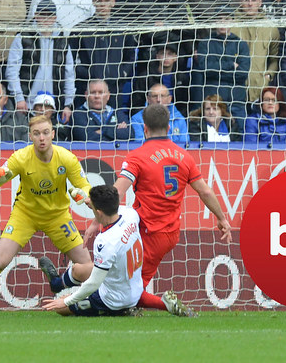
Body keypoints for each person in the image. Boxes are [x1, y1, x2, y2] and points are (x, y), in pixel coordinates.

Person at [94, 104, 230, 315]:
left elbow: (118, 193)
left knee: (131, 291)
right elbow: (205, 191)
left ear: (145, 128)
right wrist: (222, 218)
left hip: (148, 232)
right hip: (169, 232)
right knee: (126, 280)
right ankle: (130, 306)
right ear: (168, 127)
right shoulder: (184, 156)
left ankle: (166, 304)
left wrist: (97, 221)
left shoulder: (137, 156)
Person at [0, 114, 92, 312]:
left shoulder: (67, 158)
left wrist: (81, 193)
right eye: (36, 134)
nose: (41, 138)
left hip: (57, 216)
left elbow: (85, 186)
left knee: (86, 265)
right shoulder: (21, 157)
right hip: (25, 214)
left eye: (45, 133)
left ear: (53, 134)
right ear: (30, 136)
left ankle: (62, 284)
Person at [39, 185, 143, 316]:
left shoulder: (105, 241)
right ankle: (56, 284)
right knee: (78, 269)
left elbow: (93, 283)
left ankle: (119, 311)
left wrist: (66, 301)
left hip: (113, 299)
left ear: (99, 212)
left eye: (93, 208)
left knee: (59, 307)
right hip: (131, 284)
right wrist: (90, 201)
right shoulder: (130, 214)